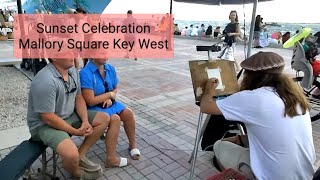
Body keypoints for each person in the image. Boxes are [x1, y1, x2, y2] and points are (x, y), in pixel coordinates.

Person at [200, 52, 316, 180]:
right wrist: (240, 139)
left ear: (250, 76)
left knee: (218, 145)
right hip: (305, 175)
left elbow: (206, 106)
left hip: (272, 177)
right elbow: (275, 134)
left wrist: (209, 88)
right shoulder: (294, 96)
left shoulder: (254, 98)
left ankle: (239, 177)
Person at [26, 55, 127, 179]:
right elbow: (48, 118)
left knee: (104, 118)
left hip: (68, 116)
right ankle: (77, 173)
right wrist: (75, 131)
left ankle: (81, 155)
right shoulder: (45, 80)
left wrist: (85, 121)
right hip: (44, 126)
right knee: (71, 155)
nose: (73, 55)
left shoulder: (73, 71)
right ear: (55, 57)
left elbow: (79, 97)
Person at [79, 57, 141, 161]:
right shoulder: (85, 73)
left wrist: (110, 98)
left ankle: (132, 145)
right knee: (114, 118)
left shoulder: (110, 68)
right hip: (94, 108)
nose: (105, 55)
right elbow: (90, 101)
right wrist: (109, 95)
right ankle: (111, 157)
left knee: (128, 114)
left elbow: (115, 88)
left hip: (109, 103)